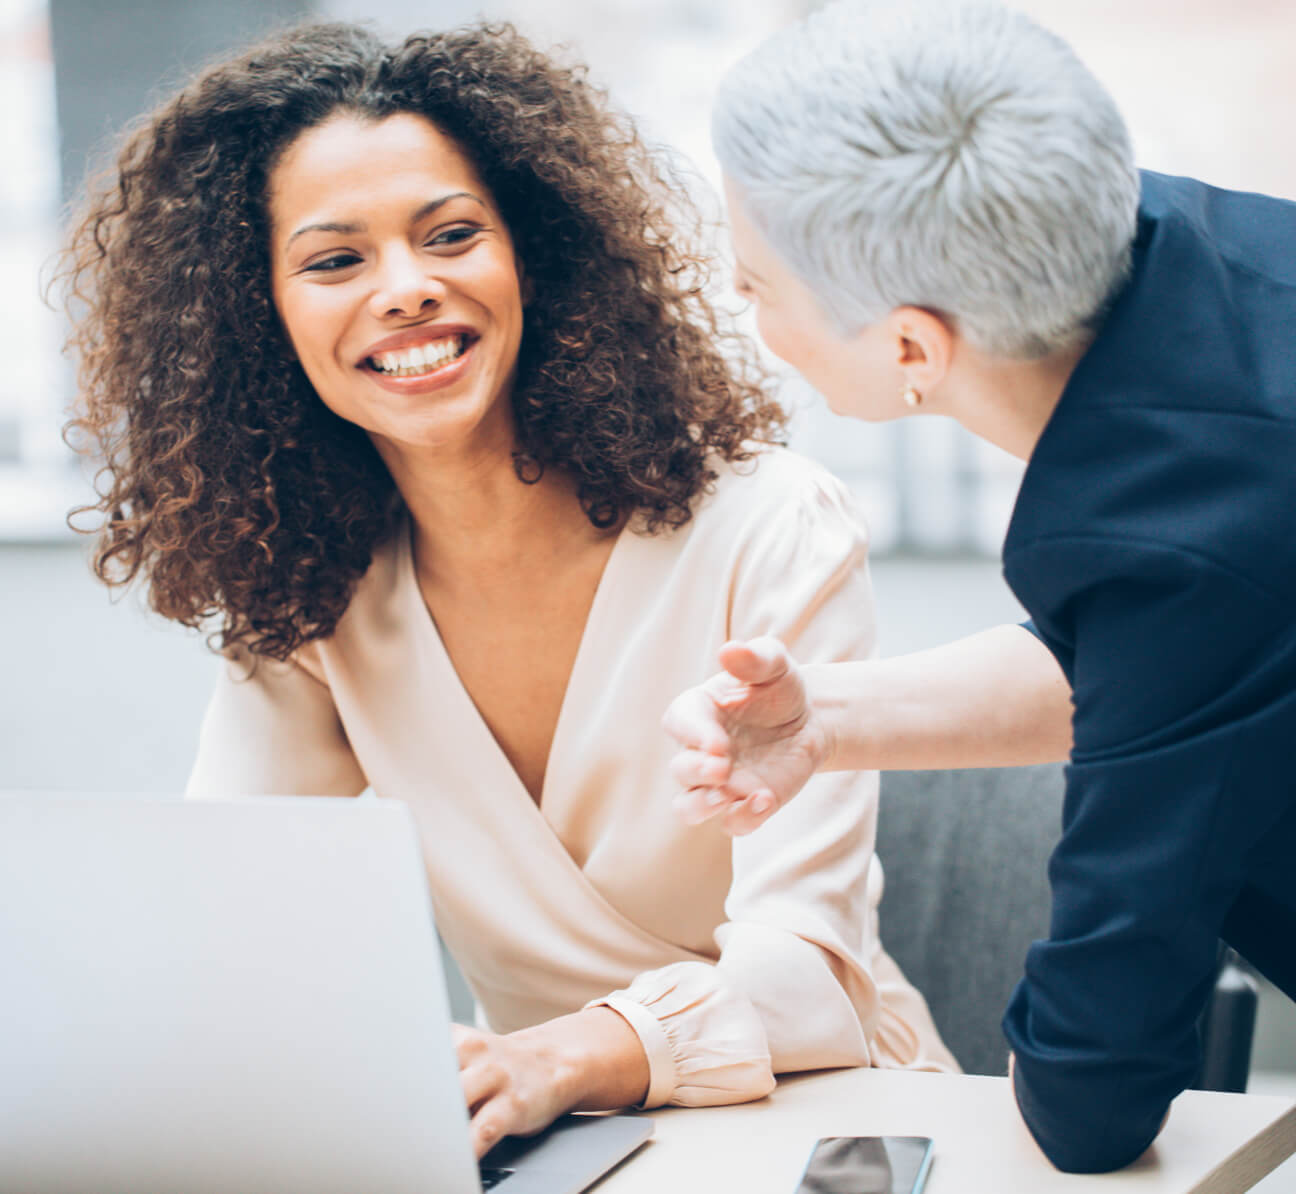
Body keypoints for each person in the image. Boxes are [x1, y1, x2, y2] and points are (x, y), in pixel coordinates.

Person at [59, 20, 956, 1161]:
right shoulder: (313, 598)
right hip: (546, 1143)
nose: (406, 290)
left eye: (451, 235)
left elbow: (811, 981)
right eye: (336, 260)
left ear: (531, 251)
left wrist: (557, 1059)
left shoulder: (765, 525)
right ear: (259, 316)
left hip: (841, 1137)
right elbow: (223, 919)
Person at [664, 0, 1296, 1175]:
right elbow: (1180, 664)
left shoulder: (1172, 541)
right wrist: (824, 724)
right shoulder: (1210, 247)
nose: (754, 324)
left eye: (756, 289)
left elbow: (1091, 1096)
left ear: (910, 347)